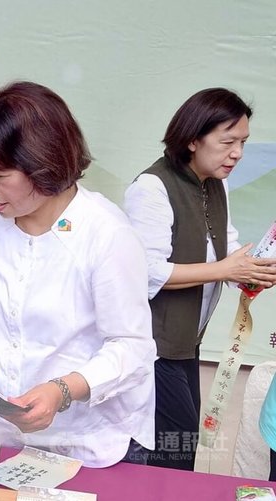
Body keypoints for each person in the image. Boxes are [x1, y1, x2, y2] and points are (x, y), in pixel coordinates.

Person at [0, 81, 155, 468]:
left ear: (44, 164)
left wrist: (61, 391)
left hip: (88, 439)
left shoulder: (105, 234)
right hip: (3, 431)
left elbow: (131, 347)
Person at [124, 88, 276, 470]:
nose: (237, 153)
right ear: (192, 139)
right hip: (153, 343)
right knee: (172, 447)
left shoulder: (213, 182)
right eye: (227, 142)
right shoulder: (152, 189)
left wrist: (251, 269)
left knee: (176, 442)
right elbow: (147, 273)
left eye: (242, 142)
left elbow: (224, 241)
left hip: (187, 338)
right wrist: (227, 270)